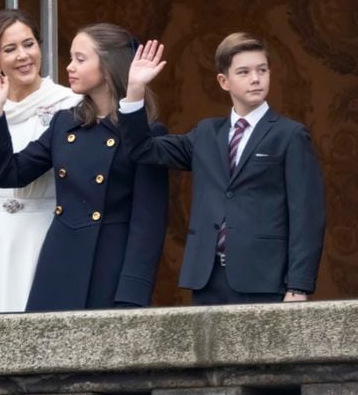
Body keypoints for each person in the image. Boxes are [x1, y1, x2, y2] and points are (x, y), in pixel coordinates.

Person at [118, 33, 325, 305]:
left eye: (262, 70)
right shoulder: (206, 133)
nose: (256, 78)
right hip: (207, 278)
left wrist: (298, 285)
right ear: (223, 81)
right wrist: (135, 90)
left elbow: (306, 215)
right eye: (244, 72)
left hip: (265, 278)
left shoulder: (290, 135)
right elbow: (142, 150)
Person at [0, 23, 169, 311]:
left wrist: (133, 293)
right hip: (58, 267)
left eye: (80, 59)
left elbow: (148, 224)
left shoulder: (146, 134)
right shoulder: (64, 122)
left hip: (110, 269)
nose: (70, 67)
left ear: (108, 66)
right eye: (71, 58)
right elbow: (9, 174)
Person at [0, 9, 81, 314]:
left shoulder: (71, 103)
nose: (23, 56)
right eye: (10, 49)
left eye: (29, 44)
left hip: (47, 232)